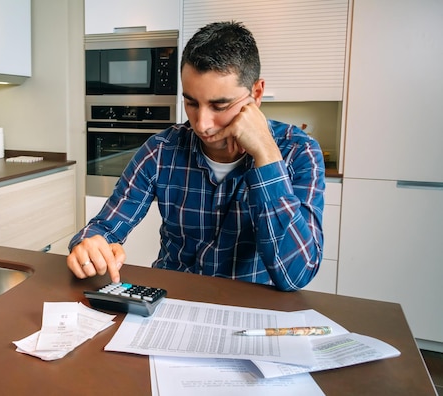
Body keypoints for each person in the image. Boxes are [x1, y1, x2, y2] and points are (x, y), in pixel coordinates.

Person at [67, 21, 325, 291]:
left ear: (256, 94)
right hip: (172, 302)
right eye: (191, 102)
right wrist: (90, 245)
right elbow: (103, 228)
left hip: (251, 310)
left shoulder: (298, 151)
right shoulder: (161, 150)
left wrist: (266, 155)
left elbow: (295, 275)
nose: (202, 124)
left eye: (219, 105)